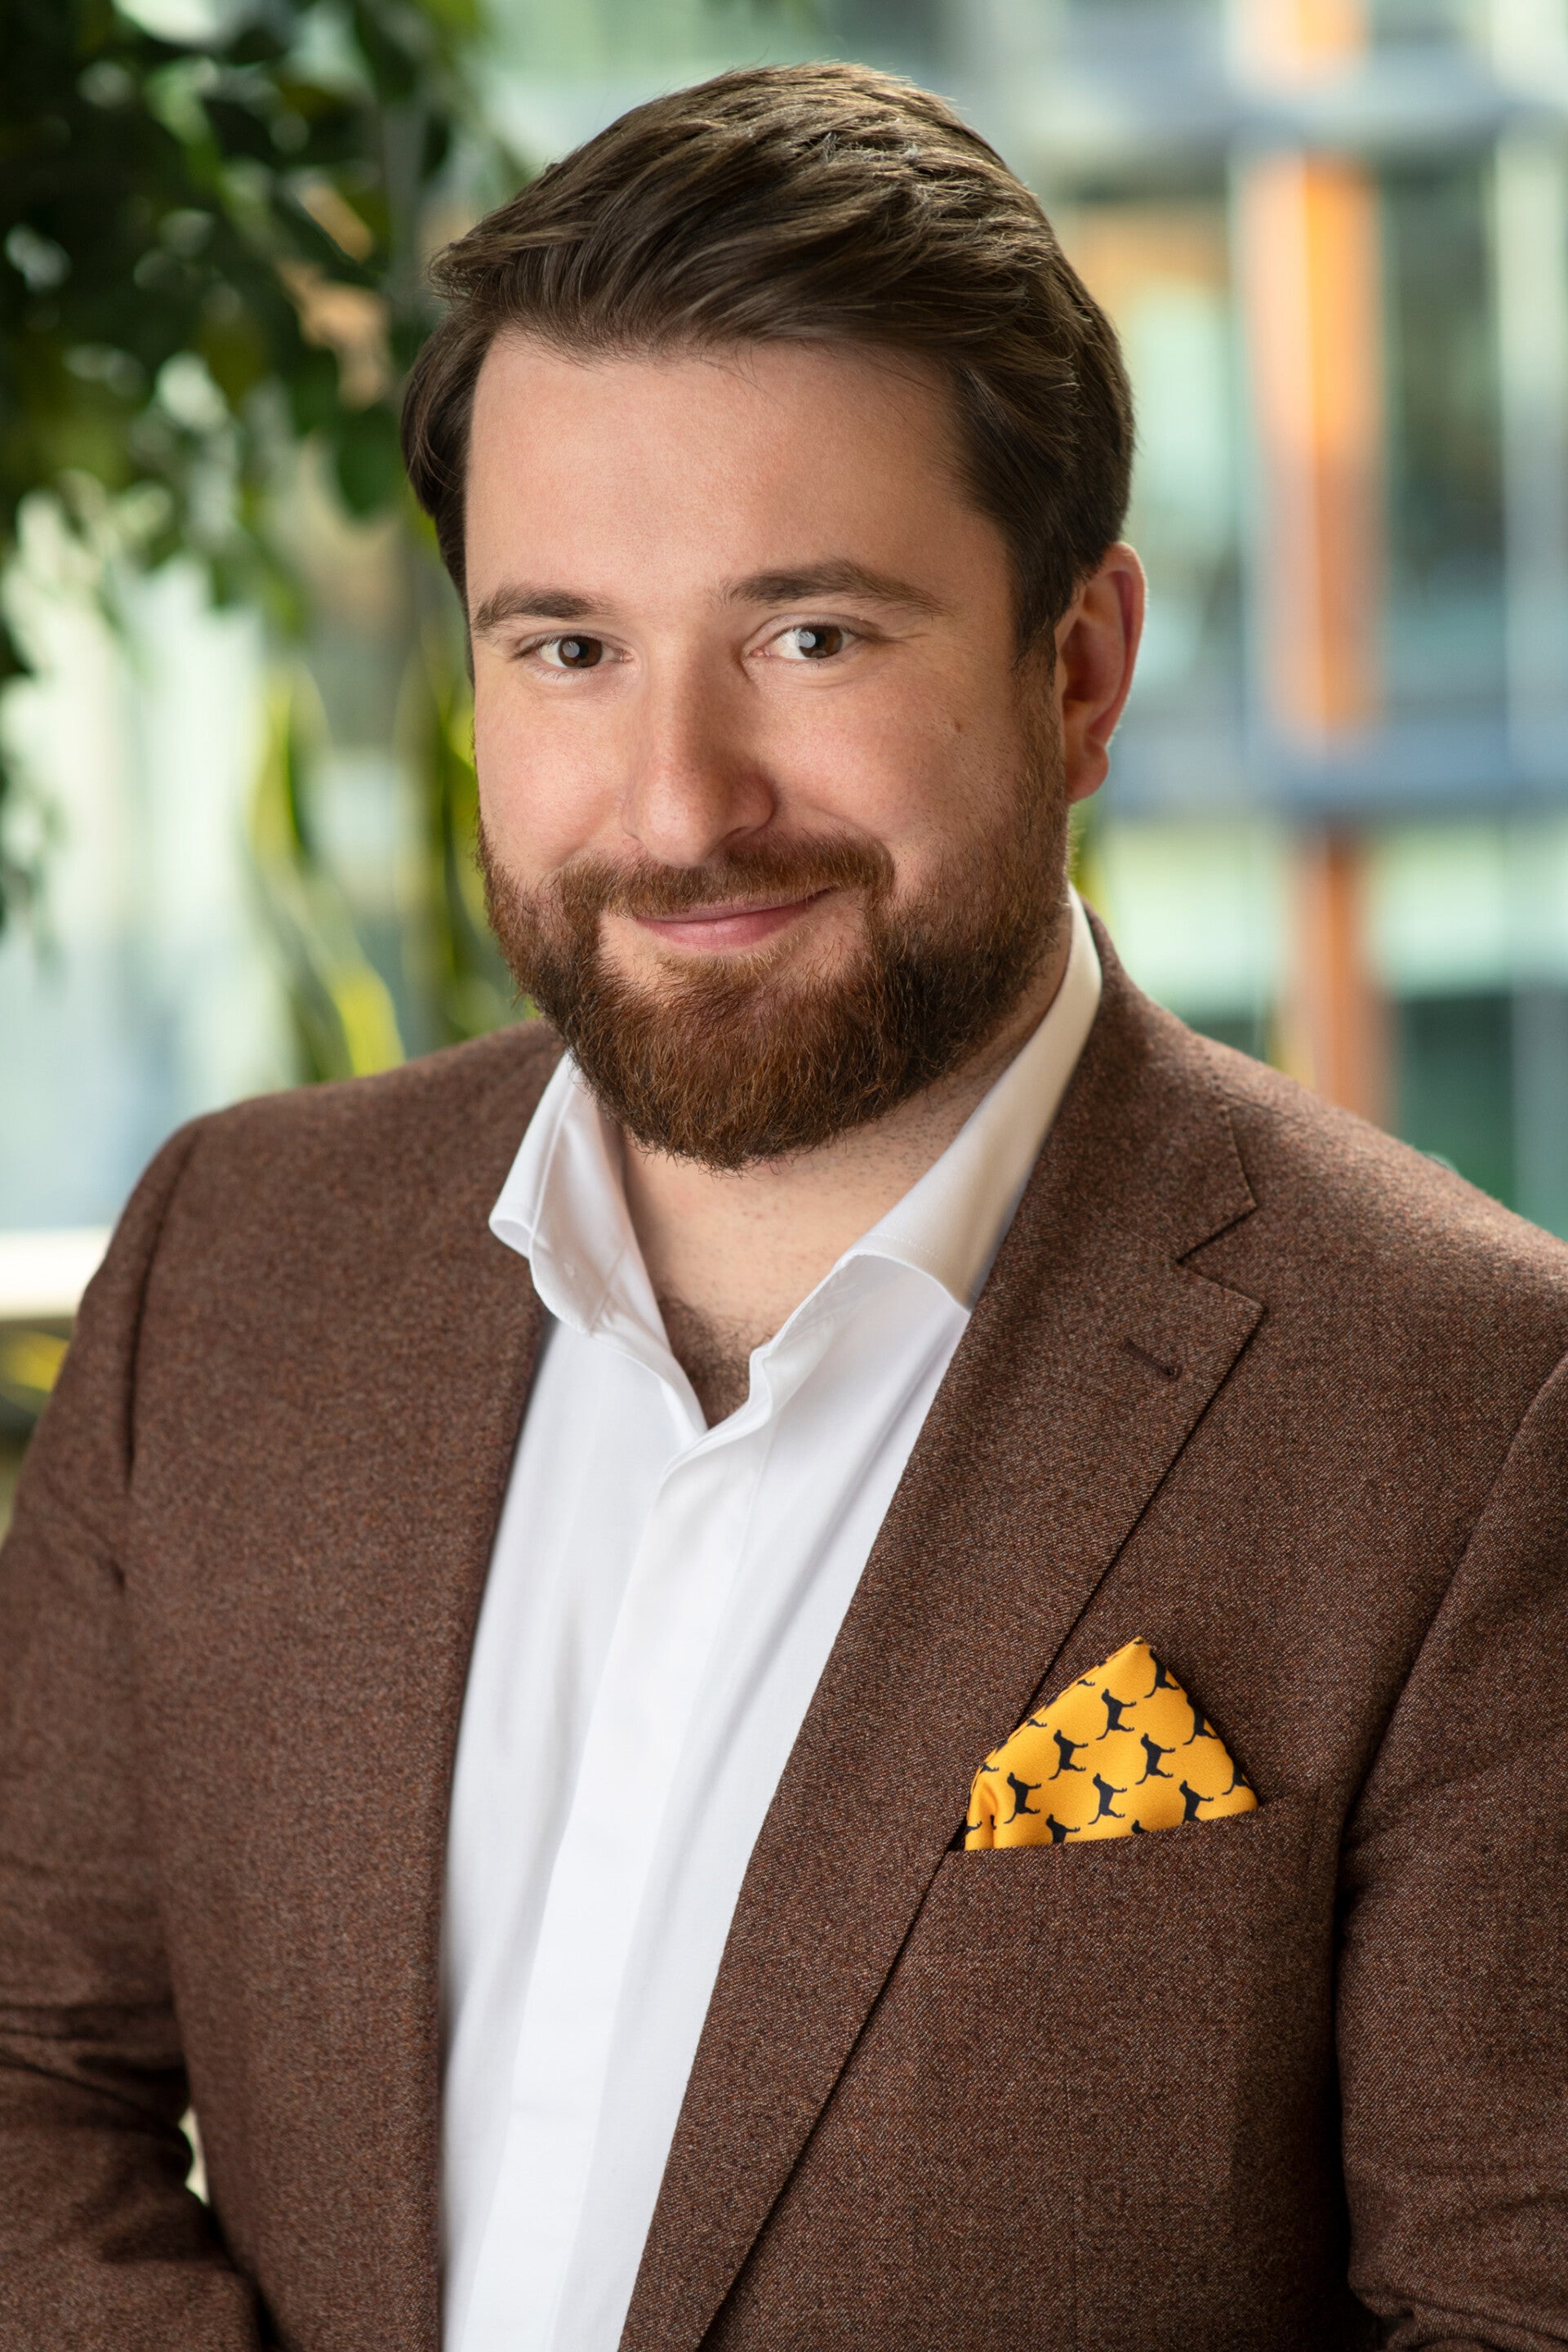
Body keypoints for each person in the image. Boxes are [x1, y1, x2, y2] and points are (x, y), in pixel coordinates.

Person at [1, 60, 1565, 2352]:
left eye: (810, 637)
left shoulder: (1470, 1406)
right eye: (569, 648)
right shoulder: (232, 1264)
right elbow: (29, 2075)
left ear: (1081, 669)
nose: (677, 807)